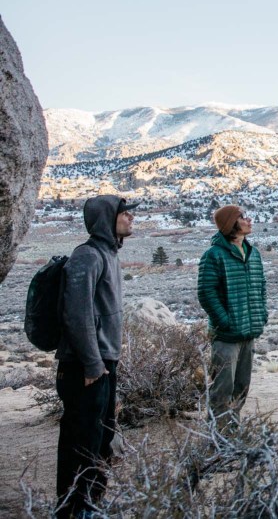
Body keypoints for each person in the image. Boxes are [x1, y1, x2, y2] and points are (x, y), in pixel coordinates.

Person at [55, 195, 137, 519]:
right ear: (106, 218)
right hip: (84, 367)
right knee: (81, 442)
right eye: (124, 213)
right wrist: (92, 362)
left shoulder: (109, 255)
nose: (131, 217)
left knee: (100, 439)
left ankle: (91, 505)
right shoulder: (87, 256)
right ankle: (72, 510)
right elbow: (76, 313)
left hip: (102, 363)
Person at [197, 205, 268, 424]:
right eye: (243, 217)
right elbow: (205, 292)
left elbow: (261, 286)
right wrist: (224, 322)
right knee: (222, 390)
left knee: (241, 388)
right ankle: (217, 442)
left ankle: (232, 435)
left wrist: (262, 315)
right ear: (231, 223)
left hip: (249, 332)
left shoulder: (252, 253)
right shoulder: (213, 255)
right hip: (226, 337)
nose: (249, 220)